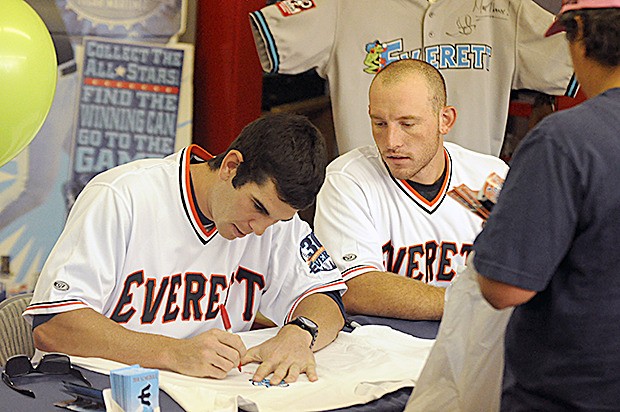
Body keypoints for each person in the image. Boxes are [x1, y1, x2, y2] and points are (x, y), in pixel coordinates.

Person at [23, 113, 347, 385]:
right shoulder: (122, 197)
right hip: (93, 389)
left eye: (277, 220)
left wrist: (300, 332)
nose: (260, 228)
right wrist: (174, 352)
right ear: (231, 167)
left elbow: (327, 298)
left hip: (200, 394)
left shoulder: (274, 220)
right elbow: (53, 325)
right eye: (258, 208)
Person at [474, 0, 620, 408]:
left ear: (581, 36)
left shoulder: (565, 140)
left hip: (575, 395)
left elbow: (505, 288)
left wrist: (503, 222)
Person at [249, 0, 578, 156]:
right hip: (369, 199)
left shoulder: (506, 8)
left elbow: (577, 62)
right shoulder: (343, 5)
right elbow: (273, 34)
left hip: (467, 203)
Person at [314, 59, 508, 320]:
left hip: (470, 342)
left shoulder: (487, 178)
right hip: (381, 348)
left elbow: (523, 271)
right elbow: (355, 288)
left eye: (407, 124)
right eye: (380, 123)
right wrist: (465, 304)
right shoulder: (350, 180)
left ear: (445, 120)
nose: (391, 142)